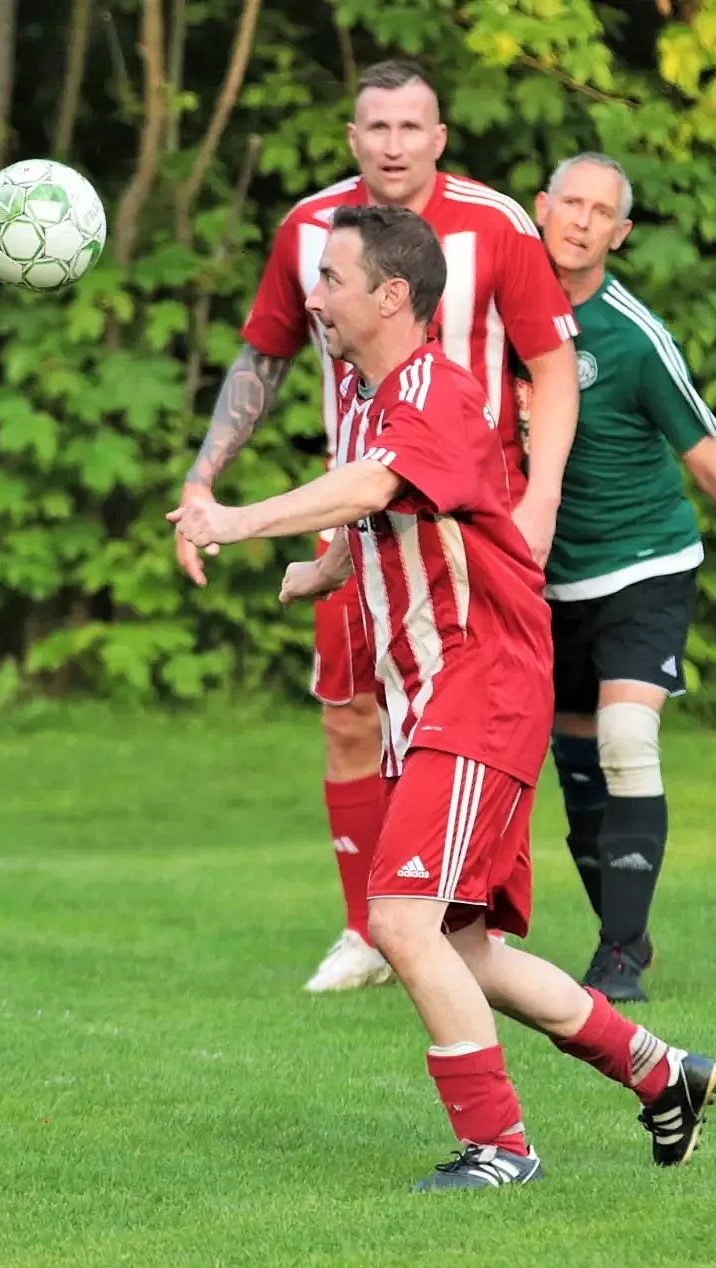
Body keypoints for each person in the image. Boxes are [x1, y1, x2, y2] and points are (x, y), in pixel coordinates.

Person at [170, 205, 716, 1190]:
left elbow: (376, 488)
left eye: (331, 279)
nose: (314, 297)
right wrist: (326, 567)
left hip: (480, 685)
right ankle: (660, 1070)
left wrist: (234, 519)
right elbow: (389, 506)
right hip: (433, 698)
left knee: (398, 923)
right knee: (464, 949)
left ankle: (500, 1146)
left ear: (390, 296)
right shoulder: (374, 397)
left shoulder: (434, 389)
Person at [174, 59, 582, 995]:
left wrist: (543, 497)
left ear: (439, 138)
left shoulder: (496, 225)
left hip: (472, 522)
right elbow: (264, 355)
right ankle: (371, 925)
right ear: (352, 138)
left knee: (475, 704)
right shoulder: (311, 230)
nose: (394, 145)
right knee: (353, 712)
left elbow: (554, 367)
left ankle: (455, 915)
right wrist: (204, 478)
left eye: (411, 127)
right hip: (358, 513)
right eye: (377, 127)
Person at [528, 152, 716, 1002]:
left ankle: (618, 958)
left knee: (625, 739)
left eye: (600, 212)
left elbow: (714, 470)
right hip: (548, 579)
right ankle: (627, 929)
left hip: (644, 565)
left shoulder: (635, 336)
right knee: (577, 765)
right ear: (541, 208)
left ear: (620, 234)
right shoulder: (503, 314)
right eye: (570, 203)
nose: (581, 221)